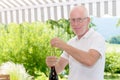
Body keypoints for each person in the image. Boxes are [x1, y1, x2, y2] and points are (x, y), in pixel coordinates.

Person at [46, 5, 106, 80]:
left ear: (88, 20)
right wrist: (51, 65)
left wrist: (64, 46)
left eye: (79, 19)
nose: (76, 24)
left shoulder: (97, 38)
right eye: (72, 20)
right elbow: (59, 68)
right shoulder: (71, 42)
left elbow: (90, 60)